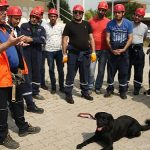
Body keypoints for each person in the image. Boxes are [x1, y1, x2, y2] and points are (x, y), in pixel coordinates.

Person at [0, 1, 40, 149]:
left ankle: (23, 127)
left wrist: (17, 44)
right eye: (1, 10)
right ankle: (3, 136)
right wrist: (9, 44)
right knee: (2, 109)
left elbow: (10, 45)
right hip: (1, 77)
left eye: (5, 9)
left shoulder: (5, 27)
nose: (4, 12)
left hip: (13, 73)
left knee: (17, 102)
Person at [7, 6, 44, 114]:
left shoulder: (18, 29)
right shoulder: (6, 29)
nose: (17, 21)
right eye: (15, 18)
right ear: (9, 17)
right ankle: (15, 108)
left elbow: (42, 39)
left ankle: (30, 105)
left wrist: (21, 43)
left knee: (25, 83)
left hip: (20, 61)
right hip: (10, 63)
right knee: (14, 87)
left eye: (19, 18)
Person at [62, 4, 96, 104]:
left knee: (84, 74)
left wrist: (93, 52)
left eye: (79, 12)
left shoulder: (87, 24)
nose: (77, 14)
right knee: (70, 74)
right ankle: (68, 94)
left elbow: (91, 38)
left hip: (85, 54)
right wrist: (64, 54)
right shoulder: (69, 24)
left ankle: (85, 92)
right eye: (75, 12)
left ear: (82, 13)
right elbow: (64, 40)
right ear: (73, 13)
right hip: (73, 54)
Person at [104, 4, 133, 99]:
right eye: (115, 12)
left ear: (123, 13)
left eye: (119, 12)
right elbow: (107, 38)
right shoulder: (110, 23)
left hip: (124, 53)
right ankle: (110, 89)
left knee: (123, 72)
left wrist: (124, 49)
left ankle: (122, 91)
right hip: (112, 52)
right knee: (111, 72)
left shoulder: (128, 23)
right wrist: (111, 49)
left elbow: (130, 38)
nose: (117, 14)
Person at [20, 8, 46, 100]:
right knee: (28, 72)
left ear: (39, 19)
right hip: (26, 53)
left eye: (36, 17)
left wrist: (31, 39)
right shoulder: (24, 26)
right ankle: (28, 92)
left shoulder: (41, 28)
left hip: (37, 53)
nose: (34, 19)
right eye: (33, 17)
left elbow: (42, 40)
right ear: (30, 16)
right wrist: (35, 39)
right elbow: (22, 38)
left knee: (37, 72)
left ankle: (35, 92)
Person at [88, 1, 110, 94]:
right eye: (100, 9)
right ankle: (90, 85)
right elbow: (87, 35)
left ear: (106, 11)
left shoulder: (108, 22)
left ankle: (98, 87)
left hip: (104, 50)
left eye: (104, 10)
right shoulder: (90, 21)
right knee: (91, 69)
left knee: (101, 70)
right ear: (98, 9)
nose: (102, 11)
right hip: (93, 49)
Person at [41, 8, 65, 94]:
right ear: (49, 16)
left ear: (57, 17)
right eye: (51, 16)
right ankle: (54, 87)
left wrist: (64, 51)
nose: (53, 18)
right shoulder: (45, 26)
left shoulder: (61, 26)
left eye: (54, 16)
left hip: (59, 51)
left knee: (60, 70)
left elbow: (64, 38)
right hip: (48, 51)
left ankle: (62, 86)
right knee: (51, 69)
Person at [128, 8, 148, 95]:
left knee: (139, 70)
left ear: (142, 17)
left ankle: (137, 87)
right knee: (126, 69)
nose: (136, 17)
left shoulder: (145, 27)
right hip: (129, 49)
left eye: (139, 16)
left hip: (139, 50)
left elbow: (143, 38)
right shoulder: (129, 24)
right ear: (134, 15)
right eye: (136, 15)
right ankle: (125, 85)